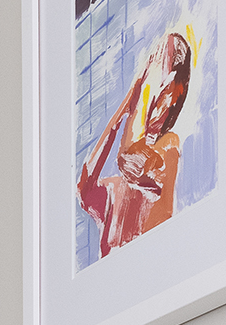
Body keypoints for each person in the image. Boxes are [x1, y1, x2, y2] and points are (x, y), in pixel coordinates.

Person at [77, 29, 192, 257]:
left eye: (166, 87)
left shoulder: (168, 149)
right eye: (151, 80)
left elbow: (133, 161)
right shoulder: (114, 191)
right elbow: (84, 187)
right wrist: (129, 102)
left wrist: (137, 104)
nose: (157, 99)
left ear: (176, 94)